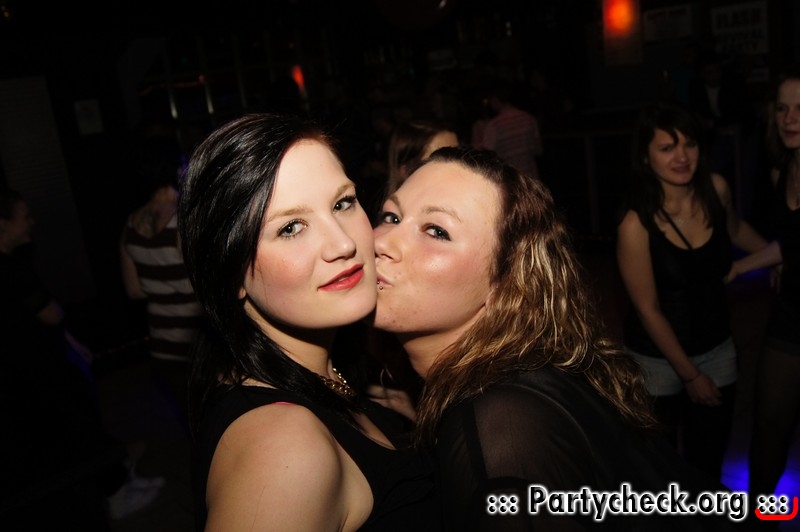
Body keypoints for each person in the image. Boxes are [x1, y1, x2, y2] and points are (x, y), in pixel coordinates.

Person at [372, 146, 746, 530]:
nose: (381, 242)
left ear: (504, 285)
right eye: (391, 216)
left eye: (437, 231)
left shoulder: (503, 430)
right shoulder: (520, 371)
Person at [177, 113, 440, 531]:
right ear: (231, 275)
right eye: (291, 227)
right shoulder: (283, 451)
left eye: (342, 203)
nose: (344, 243)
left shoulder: (327, 373)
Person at [616, 101, 769, 481]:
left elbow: (736, 231)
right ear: (646, 157)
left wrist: (775, 256)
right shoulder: (635, 224)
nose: (682, 157)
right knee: (660, 469)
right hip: (657, 361)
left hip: (717, 347)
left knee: (708, 461)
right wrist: (690, 375)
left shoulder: (716, 189)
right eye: (667, 147)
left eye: (690, 144)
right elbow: (648, 309)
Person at [0, 188, 163, 526]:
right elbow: (50, 314)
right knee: (77, 426)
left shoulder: (15, 262)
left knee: (83, 421)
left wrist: (72, 344)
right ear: (3, 224)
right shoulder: (10, 269)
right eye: (24, 217)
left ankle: (121, 478)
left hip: (41, 364)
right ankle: (115, 492)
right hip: (34, 371)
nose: (31, 222)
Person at [725, 65, 800, 499]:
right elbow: (785, 239)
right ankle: (759, 516)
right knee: (770, 424)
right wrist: (768, 261)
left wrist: (743, 266)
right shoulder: (780, 171)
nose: (789, 119)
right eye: (782, 109)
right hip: (789, 312)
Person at [119, 134, 204, 419]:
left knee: (191, 422)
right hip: (198, 345)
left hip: (162, 347)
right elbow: (206, 283)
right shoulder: (185, 219)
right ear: (178, 167)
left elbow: (134, 291)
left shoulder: (130, 225)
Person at [472, 78, 543, 180]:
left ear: (495, 100)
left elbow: (486, 156)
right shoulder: (529, 118)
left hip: (511, 180)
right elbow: (538, 150)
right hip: (531, 178)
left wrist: (477, 136)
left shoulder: (495, 125)